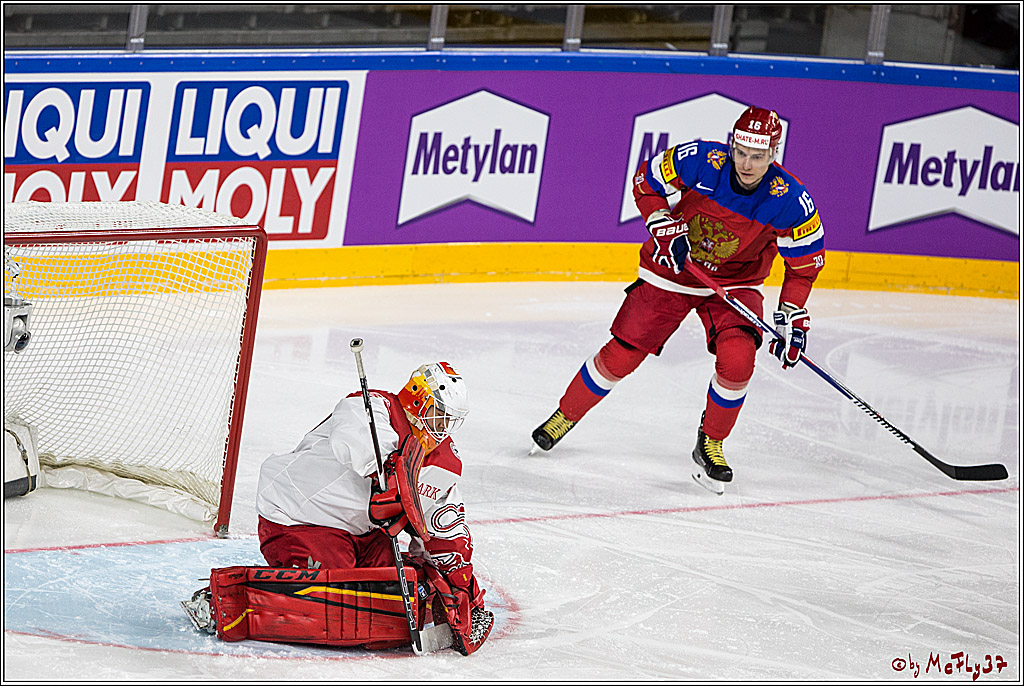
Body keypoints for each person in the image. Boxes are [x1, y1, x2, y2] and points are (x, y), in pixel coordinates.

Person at [531, 106, 825, 494]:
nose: (746, 163)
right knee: (623, 353)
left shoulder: (790, 200)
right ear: (731, 144)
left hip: (736, 282)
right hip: (673, 266)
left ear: (774, 155)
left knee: (738, 360)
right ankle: (565, 415)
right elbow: (645, 180)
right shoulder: (702, 160)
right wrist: (661, 222)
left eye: (758, 156)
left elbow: (804, 263)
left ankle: (711, 443)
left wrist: (791, 313)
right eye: (741, 152)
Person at [182, 362, 493, 655]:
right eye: (437, 413)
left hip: (364, 533)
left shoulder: (443, 461)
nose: (442, 426)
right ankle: (228, 602)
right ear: (414, 398)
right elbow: (354, 447)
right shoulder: (370, 408)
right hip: (299, 517)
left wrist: (462, 581)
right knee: (336, 605)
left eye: (450, 419)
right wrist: (393, 472)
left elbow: (444, 525)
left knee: (395, 601)